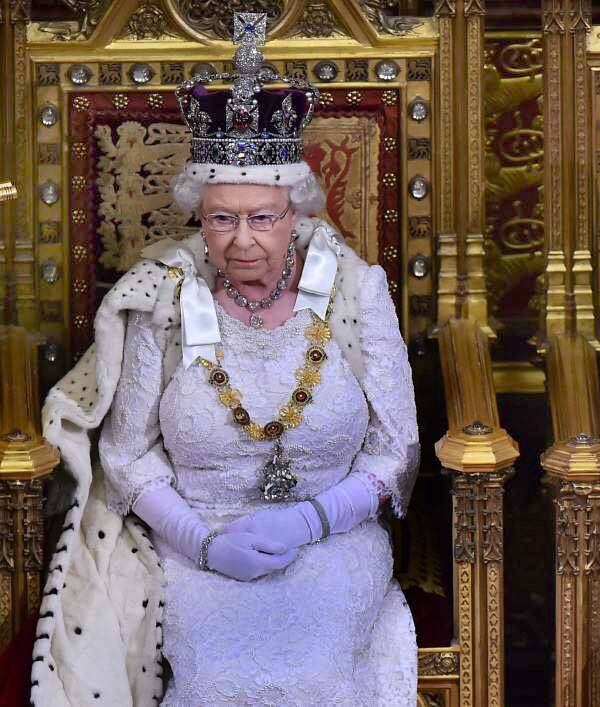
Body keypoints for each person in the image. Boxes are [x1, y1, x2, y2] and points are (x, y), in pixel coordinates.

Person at [31, 14, 419, 705]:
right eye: (220, 218)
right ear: (200, 217)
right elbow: (126, 456)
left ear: (296, 213)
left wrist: (312, 520)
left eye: (261, 217)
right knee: (215, 676)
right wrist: (202, 542)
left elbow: (396, 448)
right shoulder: (164, 298)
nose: (241, 240)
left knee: (316, 672)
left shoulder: (357, 290)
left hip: (331, 545)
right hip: (195, 551)